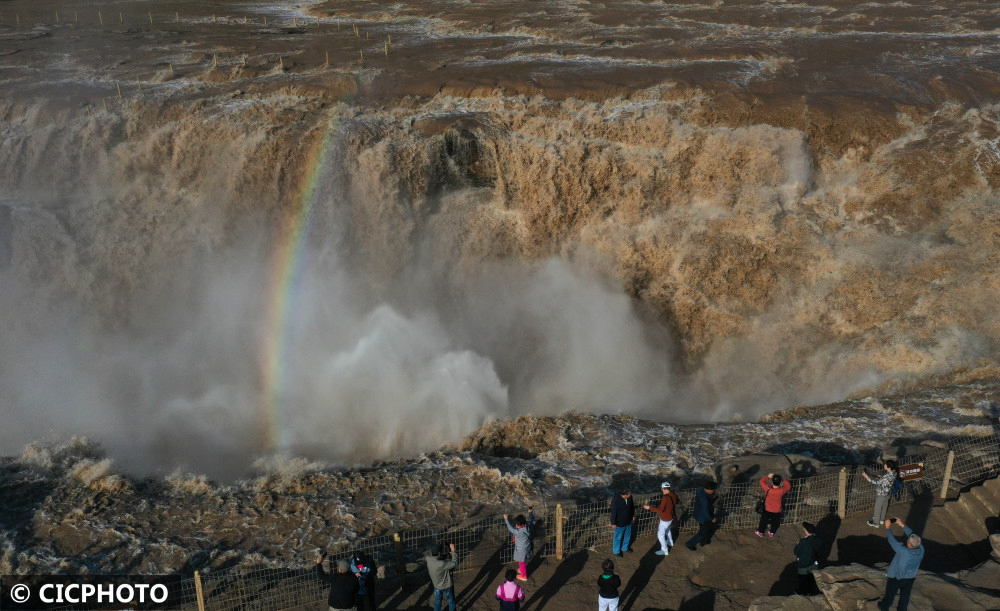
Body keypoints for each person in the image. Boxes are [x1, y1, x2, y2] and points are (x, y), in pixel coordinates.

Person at [878, 517, 924, 611]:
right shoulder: (921, 549)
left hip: (896, 577)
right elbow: (912, 535)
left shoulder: (903, 551)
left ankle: (884, 607)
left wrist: (888, 528)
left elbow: (892, 541)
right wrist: (901, 524)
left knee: (890, 596)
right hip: (910, 578)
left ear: (909, 544)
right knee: (905, 599)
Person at [643, 481, 680, 556]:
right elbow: (678, 502)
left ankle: (665, 550)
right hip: (671, 517)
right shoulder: (673, 494)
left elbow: (660, 510)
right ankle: (670, 542)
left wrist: (649, 507)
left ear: (663, 488)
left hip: (665, 519)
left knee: (660, 535)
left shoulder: (665, 498)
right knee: (668, 529)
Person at [863, 460, 900, 527]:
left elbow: (876, 482)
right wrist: (881, 478)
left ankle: (876, 523)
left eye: (885, 465)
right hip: (888, 493)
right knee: (884, 506)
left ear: (888, 467)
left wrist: (867, 477)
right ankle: (882, 520)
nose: (884, 465)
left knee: (878, 508)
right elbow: (886, 480)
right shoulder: (894, 473)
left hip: (881, 494)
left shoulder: (886, 476)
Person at [755, 472, 792, 537]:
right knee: (775, 522)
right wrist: (783, 479)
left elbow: (761, 481)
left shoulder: (768, 489)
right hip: (776, 509)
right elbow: (788, 486)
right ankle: (772, 532)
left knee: (763, 521)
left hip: (767, 508)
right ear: (780, 482)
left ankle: (761, 532)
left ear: (772, 482)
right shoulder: (781, 490)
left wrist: (768, 476)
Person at [426, 542, 459, 611]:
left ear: (431, 553)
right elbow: (454, 563)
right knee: (451, 601)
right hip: (447, 585)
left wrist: (447, 554)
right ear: (439, 554)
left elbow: (437, 558)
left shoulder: (428, 559)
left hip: (437, 585)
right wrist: (453, 551)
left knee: (437, 601)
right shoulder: (442, 564)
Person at [504, 508, 535, 581]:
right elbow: (533, 521)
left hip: (521, 549)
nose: (516, 526)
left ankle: (524, 576)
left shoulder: (519, 532)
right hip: (527, 546)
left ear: (521, 525)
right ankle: (521, 569)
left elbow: (510, 528)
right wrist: (531, 513)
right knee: (522, 560)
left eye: (517, 525)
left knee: (521, 562)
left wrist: (506, 519)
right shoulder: (528, 525)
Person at [685, 481, 718, 550]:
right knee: (703, 533)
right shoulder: (705, 499)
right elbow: (705, 511)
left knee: (705, 530)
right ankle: (690, 544)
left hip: (699, 515)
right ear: (709, 490)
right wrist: (712, 518)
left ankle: (704, 542)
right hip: (705, 518)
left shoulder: (700, 491)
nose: (713, 491)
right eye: (713, 489)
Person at [794, 521, 822, 595]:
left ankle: (801, 592)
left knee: (802, 579)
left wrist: (798, 545)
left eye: (805, 530)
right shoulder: (818, 540)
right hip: (813, 563)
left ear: (807, 532)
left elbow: (796, 552)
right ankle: (809, 591)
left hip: (803, 563)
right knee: (810, 578)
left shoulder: (803, 542)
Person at [609, 489, 635, 557]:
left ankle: (624, 548)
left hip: (628, 521)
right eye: (629, 494)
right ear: (625, 495)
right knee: (618, 537)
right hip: (619, 522)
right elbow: (613, 512)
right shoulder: (616, 500)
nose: (630, 495)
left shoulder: (630, 498)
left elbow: (632, 507)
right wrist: (613, 523)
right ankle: (616, 551)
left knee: (627, 536)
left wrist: (632, 515)